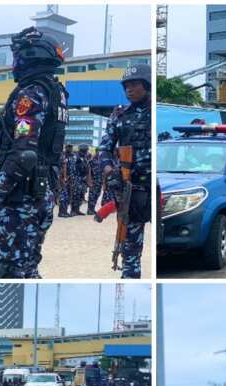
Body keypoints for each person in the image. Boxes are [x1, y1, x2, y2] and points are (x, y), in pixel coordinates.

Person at [0, 26, 67, 279]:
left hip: (19, 199)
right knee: (26, 267)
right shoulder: (56, 93)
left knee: (11, 273)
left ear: (30, 56)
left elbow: (24, 155)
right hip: (38, 193)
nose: (14, 63)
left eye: (17, 56)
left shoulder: (31, 94)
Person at [97, 63, 152, 279]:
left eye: (135, 84)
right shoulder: (119, 115)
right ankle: (130, 276)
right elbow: (104, 148)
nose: (130, 89)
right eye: (127, 85)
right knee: (129, 246)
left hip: (156, 187)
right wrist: (110, 172)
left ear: (147, 86)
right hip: (131, 189)